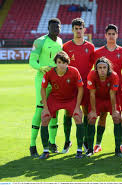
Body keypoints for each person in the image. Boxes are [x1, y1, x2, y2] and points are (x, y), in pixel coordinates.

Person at [39, 51, 84, 159]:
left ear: (67, 63)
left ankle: (79, 150)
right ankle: (45, 150)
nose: (61, 65)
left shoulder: (74, 71)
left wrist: (77, 107)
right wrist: (45, 108)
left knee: (78, 117)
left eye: (64, 62)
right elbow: (43, 89)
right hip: (55, 99)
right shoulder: (49, 73)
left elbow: (80, 88)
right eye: (59, 62)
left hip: (70, 99)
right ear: (56, 62)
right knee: (44, 118)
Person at [29, 18, 62, 157]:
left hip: (56, 81)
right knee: (39, 109)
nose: (56, 29)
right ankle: (32, 145)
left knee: (54, 111)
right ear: (48, 28)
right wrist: (41, 67)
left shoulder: (60, 41)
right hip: (42, 80)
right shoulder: (39, 41)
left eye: (58, 27)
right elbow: (31, 61)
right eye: (53, 27)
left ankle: (52, 142)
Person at [94, 24, 122, 153]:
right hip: (102, 92)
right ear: (105, 35)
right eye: (109, 34)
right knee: (102, 116)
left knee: (119, 118)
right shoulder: (98, 53)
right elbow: (95, 72)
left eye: (113, 34)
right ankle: (97, 144)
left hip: (118, 92)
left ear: (117, 35)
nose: (111, 36)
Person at [62, 18, 95, 154]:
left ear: (84, 30)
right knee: (69, 112)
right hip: (70, 86)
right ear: (72, 30)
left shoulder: (90, 47)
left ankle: (86, 141)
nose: (78, 31)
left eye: (80, 28)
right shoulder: (66, 47)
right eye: (76, 29)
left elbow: (93, 66)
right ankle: (67, 140)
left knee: (86, 111)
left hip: (86, 85)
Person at [86, 57, 122, 157]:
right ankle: (90, 149)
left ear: (108, 68)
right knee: (92, 118)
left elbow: (112, 94)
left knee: (117, 118)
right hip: (97, 99)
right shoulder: (92, 75)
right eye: (100, 68)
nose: (102, 70)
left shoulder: (114, 76)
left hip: (110, 99)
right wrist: (93, 111)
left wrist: (114, 111)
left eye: (104, 67)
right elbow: (92, 94)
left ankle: (118, 149)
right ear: (96, 69)